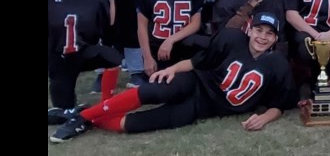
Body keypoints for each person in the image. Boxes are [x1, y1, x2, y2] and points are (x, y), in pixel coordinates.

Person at [50, 11, 296, 142]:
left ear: (275, 39)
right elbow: (197, 62)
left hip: (203, 108)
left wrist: (264, 119)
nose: (262, 37)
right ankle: (80, 117)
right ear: (249, 29)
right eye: (259, 30)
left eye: (269, 34)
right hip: (197, 82)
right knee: (154, 90)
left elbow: (279, 105)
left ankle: (82, 116)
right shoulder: (232, 39)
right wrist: (172, 69)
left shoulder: (277, 64)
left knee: (136, 124)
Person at [47, 0, 121, 124]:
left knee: (113, 57)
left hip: (84, 52)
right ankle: (69, 106)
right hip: (59, 59)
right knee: (63, 111)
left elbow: (109, 22)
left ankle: (105, 102)